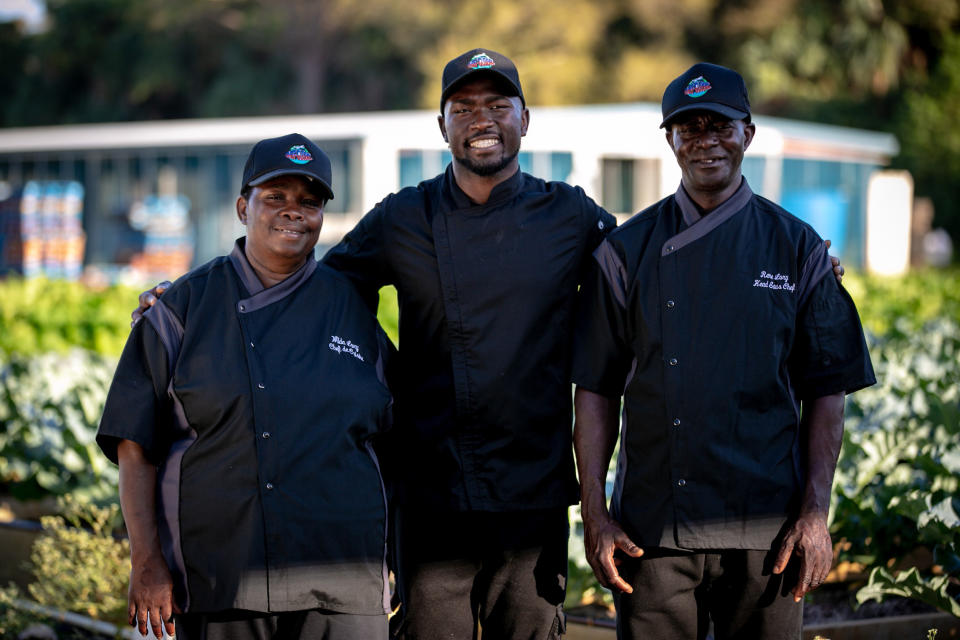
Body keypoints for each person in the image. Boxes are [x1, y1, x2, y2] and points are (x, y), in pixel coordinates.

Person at [131, 52, 845, 639]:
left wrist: (809, 262)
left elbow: (656, 259)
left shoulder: (571, 216)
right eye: (464, 107)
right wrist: (197, 298)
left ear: (524, 120)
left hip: (531, 497)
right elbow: (312, 287)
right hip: (432, 492)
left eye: (498, 105)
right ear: (441, 124)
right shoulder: (402, 217)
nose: (482, 120)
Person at [571, 63, 876, 640]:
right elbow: (595, 389)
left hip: (769, 532)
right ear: (670, 140)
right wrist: (595, 513)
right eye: (689, 128)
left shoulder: (799, 250)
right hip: (653, 530)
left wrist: (815, 514)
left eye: (721, 126)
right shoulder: (625, 251)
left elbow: (827, 392)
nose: (705, 140)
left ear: (748, 134)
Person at [98, 133, 395, 640]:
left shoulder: (353, 309)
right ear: (242, 207)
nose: (292, 211)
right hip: (222, 583)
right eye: (274, 197)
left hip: (346, 582)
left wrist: (399, 564)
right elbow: (134, 445)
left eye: (308, 201)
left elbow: (394, 440)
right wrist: (146, 563)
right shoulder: (181, 310)